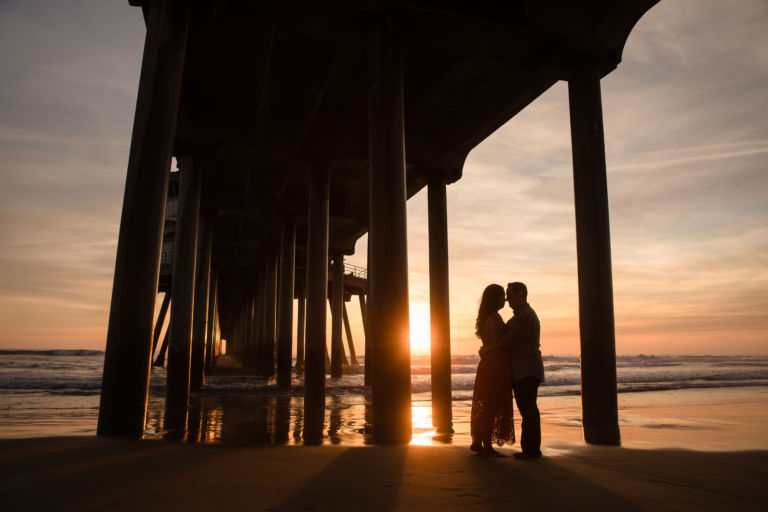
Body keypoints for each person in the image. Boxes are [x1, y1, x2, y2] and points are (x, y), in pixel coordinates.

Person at [481, 282, 544, 459]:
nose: (507, 299)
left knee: (528, 409)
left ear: (521, 294)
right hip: (522, 369)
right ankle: (530, 449)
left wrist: (488, 350)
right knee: (527, 409)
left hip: (527, 369)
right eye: (506, 294)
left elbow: (508, 340)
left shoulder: (525, 316)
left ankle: (531, 450)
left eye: (510, 294)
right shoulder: (519, 316)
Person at [470, 284, 515, 456]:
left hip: (489, 364)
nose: (504, 299)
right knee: (493, 404)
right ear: (494, 298)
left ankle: (481, 442)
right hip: (495, 365)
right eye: (501, 295)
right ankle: (482, 442)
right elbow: (499, 344)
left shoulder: (487, 318)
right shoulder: (494, 318)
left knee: (489, 403)